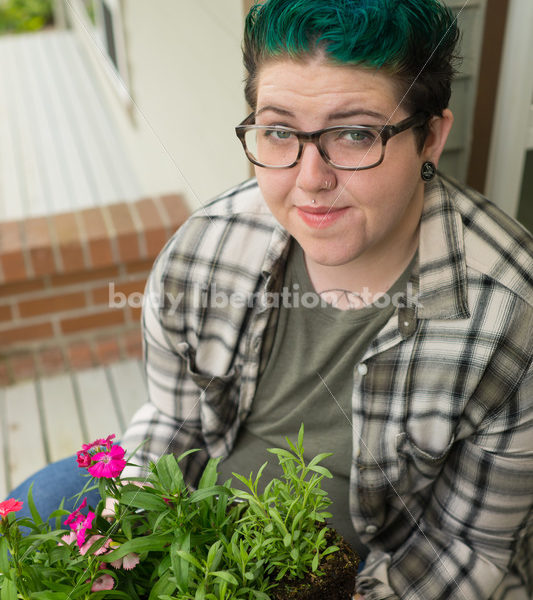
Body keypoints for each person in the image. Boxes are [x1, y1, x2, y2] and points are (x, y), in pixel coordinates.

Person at [7, 1, 532, 598]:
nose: (310, 178)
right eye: (280, 131)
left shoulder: (509, 313)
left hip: (362, 575)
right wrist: (127, 526)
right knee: (21, 519)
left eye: (356, 134)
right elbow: (173, 418)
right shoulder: (205, 248)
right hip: (190, 518)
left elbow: (468, 546)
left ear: (431, 137)